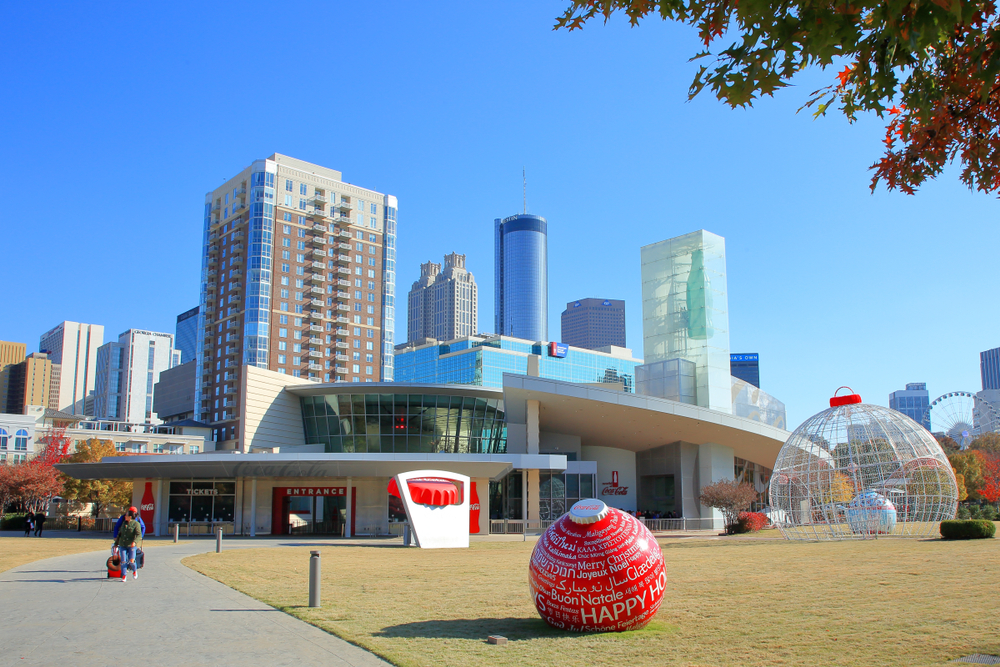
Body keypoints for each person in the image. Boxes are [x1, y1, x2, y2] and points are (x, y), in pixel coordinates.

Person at [114, 509, 142, 582]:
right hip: (122, 544)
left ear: (130, 516)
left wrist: (135, 542)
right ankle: (124, 575)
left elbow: (139, 535)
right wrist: (116, 543)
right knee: (123, 561)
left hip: (131, 545)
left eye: (126, 515)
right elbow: (120, 534)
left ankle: (134, 570)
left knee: (131, 561)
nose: (125, 517)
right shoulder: (124, 523)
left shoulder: (136, 524)